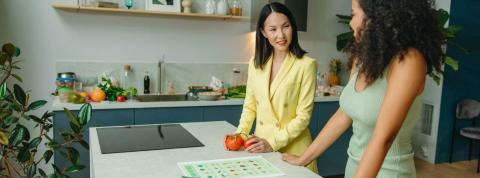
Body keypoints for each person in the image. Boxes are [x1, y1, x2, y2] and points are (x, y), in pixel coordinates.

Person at [282, 0, 444, 177]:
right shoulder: (365, 57)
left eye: (354, 14)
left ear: (378, 16)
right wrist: (303, 159)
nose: (351, 22)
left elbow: (383, 139)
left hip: (389, 172)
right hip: (355, 166)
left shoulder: (408, 61)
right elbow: (343, 115)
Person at [228, 2, 318, 172]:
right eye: (273, 29)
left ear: (293, 27)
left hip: (295, 151)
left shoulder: (306, 65)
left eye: (286, 27)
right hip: (261, 147)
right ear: (263, 32)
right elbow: (250, 107)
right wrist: (239, 136)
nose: (281, 35)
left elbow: (303, 117)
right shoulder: (255, 64)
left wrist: (273, 143)